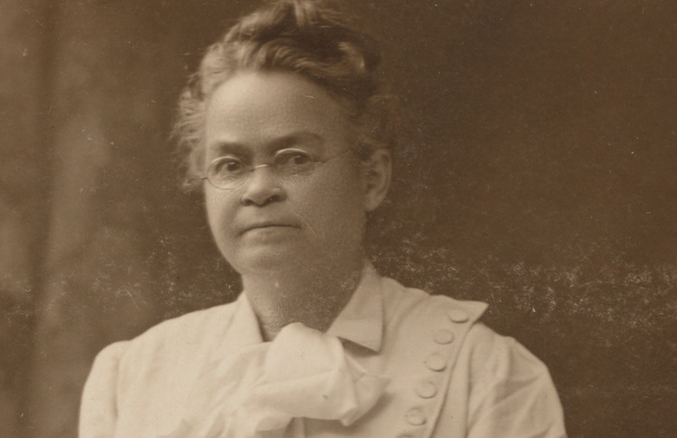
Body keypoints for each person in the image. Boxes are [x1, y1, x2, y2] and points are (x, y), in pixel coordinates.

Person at [79, 1, 567, 437]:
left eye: (295, 159)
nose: (258, 189)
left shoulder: (485, 374)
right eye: (230, 165)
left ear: (372, 178)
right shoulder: (134, 376)